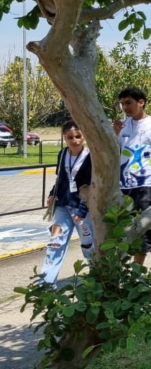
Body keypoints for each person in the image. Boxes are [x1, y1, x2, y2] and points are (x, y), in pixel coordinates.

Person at [113, 87, 151, 264]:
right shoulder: (121, 126)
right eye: (122, 104)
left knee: (144, 231)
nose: (125, 108)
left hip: (146, 186)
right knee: (123, 231)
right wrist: (114, 133)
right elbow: (113, 154)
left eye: (128, 103)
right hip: (123, 186)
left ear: (141, 102)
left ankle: (136, 276)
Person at [40, 120, 94, 287]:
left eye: (78, 136)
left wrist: (82, 210)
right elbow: (61, 178)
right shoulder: (63, 154)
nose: (74, 140)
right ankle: (46, 284)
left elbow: (93, 186)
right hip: (62, 207)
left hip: (82, 210)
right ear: (64, 137)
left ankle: (99, 280)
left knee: (88, 245)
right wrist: (52, 194)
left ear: (84, 135)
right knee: (55, 243)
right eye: (70, 137)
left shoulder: (91, 156)